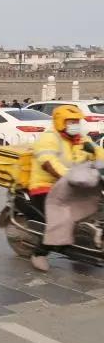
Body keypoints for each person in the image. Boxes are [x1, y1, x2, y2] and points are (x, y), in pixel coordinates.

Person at [28, 105, 104, 271]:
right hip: (45, 186)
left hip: (76, 183)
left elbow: (98, 152)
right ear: (61, 122)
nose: (75, 124)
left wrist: (98, 157)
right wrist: (71, 177)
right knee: (62, 218)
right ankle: (40, 252)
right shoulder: (49, 138)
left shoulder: (80, 139)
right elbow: (50, 164)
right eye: (71, 121)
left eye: (77, 121)